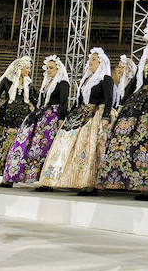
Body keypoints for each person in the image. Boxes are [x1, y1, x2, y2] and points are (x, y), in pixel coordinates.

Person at [97, 22, 148, 200]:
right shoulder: (145, 56)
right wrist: (122, 103)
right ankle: (130, 180)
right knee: (125, 136)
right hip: (140, 97)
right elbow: (135, 80)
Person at [38, 48, 113, 195]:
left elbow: (109, 99)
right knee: (63, 144)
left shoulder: (105, 78)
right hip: (80, 115)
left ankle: (88, 183)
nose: (90, 62)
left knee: (87, 148)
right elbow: (79, 101)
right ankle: (53, 179)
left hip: (95, 115)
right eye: (90, 59)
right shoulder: (86, 80)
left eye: (94, 59)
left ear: (101, 62)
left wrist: (105, 116)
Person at [0, 55, 69, 187]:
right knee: (23, 140)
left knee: (43, 147)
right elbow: (39, 101)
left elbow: (64, 102)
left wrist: (61, 119)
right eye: (47, 68)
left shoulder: (63, 83)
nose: (48, 70)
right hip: (41, 115)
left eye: (51, 68)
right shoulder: (46, 83)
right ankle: (12, 175)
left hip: (52, 118)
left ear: (58, 69)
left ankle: (46, 181)